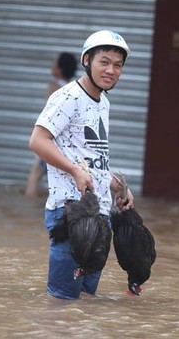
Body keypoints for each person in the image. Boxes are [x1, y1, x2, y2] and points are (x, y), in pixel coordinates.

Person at [29, 30, 135, 299]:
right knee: (62, 305)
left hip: (98, 217)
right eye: (105, 61)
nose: (111, 70)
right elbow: (38, 141)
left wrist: (117, 186)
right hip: (69, 214)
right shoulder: (68, 97)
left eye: (118, 65)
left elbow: (91, 157)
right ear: (87, 60)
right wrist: (74, 170)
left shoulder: (104, 103)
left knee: (85, 306)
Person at [25, 52, 78, 197]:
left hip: (51, 140)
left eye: (54, 63)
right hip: (68, 142)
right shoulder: (76, 89)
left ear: (59, 69)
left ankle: (29, 206)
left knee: (35, 175)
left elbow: (51, 116)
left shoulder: (53, 88)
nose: (51, 66)